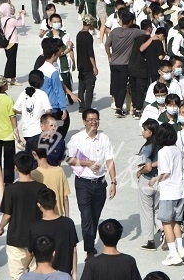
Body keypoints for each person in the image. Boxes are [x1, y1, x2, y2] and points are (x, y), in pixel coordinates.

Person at [66, 108, 117, 260]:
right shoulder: (77, 139)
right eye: (90, 120)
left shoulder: (104, 139)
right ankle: (90, 249)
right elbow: (69, 158)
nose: (94, 122)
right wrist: (86, 163)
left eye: (96, 119)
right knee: (86, 215)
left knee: (95, 215)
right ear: (84, 122)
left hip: (100, 183)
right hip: (83, 183)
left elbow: (109, 160)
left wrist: (113, 181)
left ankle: (91, 240)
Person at [0, 151, 47, 280]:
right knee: (36, 274)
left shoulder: (10, 190)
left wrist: (0, 228)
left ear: (16, 167)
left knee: (17, 275)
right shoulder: (41, 188)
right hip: (37, 239)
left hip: (16, 239)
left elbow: (7, 215)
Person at [148, 122, 184, 266]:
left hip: (169, 191)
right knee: (175, 221)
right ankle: (181, 249)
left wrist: (155, 179)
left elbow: (166, 173)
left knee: (166, 222)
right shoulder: (176, 149)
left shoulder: (163, 151)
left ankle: (173, 253)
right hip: (180, 190)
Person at [26, 188, 78, 277]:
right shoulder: (68, 223)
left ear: (39, 205)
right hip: (64, 274)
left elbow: (30, 253)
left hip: (43, 274)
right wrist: (75, 272)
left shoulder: (35, 227)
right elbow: (74, 250)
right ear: (55, 202)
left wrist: (25, 266)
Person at [105, 9, 145, 118]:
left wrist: (109, 56)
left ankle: (116, 104)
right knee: (122, 87)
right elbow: (146, 33)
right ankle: (119, 109)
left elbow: (107, 45)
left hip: (113, 63)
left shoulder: (114, 31)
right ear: (131, 21)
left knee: (115, 85)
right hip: (124, 65)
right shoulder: (134, 32)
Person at [136, 119, 161, 251]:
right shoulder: (162, 145)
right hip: (160, 180)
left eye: (145, 129)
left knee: (146, 212)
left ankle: (149, 241)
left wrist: (140, 171)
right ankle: (163, 230)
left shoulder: (147, 148)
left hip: (147, 181)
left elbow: (148, 167)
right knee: (158, 209)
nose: (143, 132)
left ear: (151, 132)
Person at [30, 138, 70, 217]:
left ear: (34, 154)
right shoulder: (59, 171)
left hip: (41, 218)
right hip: (58, 216)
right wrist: (67, 217)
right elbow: (65, 198)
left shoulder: (33, 174)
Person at [38, 38, 69, 139]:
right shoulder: (53, 72)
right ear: (53, 55)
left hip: (43, 106)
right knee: (58, 132)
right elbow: (58, 91)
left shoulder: (40, 70)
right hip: (54, 107)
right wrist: (63, 109)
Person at [0, 75, 23, 188]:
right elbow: (13, 118)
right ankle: (8, 181)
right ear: (3, 86)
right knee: (8, 159)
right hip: (7, 135)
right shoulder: (8, 100)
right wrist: (17, 133)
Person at [13, 70, 52, 147]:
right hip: (38, 130)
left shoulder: (23, 93)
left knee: (29, 151)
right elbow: (49, 110)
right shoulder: (42, 94)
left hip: (26, 132)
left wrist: (24, 112)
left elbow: (15, 109)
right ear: (42, 82)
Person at [76, 14, 98, 113]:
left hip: (80, 65)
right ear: (90, 23)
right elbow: (90, 53)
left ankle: (81, 107)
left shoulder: (79, 35)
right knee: (89, 87)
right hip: (88, 66)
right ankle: (87, 107)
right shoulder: (88, 36)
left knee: (81, 87)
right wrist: (94, 66)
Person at [0, 3, 26, 85]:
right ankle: (11, 78)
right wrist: (23, 15)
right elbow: (22, 24)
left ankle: (11, 78)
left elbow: (13, 19)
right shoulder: (11, 21)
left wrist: (18, 14)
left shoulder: (2, 19)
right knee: (12, 61)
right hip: (13, 42)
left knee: (10, 60)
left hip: (6, 43)